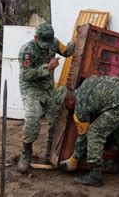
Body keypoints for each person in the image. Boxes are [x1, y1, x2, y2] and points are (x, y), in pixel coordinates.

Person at [60, 75, 119, 187]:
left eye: (66, 106)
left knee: (95, 131)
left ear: (70, 100)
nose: (68, 109)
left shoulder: (80, 105)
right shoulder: (88, 81)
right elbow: (115, 79)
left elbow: (83, 135)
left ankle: (95, 175)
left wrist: (74, 159)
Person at [17, 23, 75, 173]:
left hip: (48, 89)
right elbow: (26, 75)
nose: (46, 47)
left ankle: (50, 154)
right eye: (43, 43)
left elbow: (67, 51)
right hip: (31, 89)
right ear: (35, 38)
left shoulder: (53, 42)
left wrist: (78, 36)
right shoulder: (27, 51)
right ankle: (26, 154)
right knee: (32, 119)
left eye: (48, 44)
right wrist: (47, 67)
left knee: (55, 121)